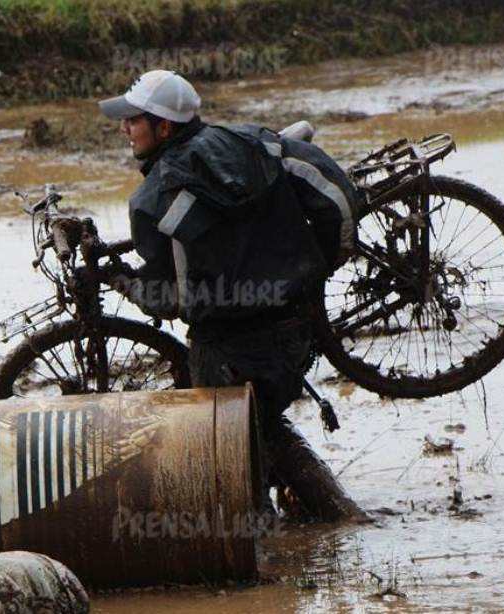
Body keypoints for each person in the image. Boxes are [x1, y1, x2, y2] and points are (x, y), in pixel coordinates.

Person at [98, 69, 363, 521]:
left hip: (228, 348)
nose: (124, 127)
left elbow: (172, 298)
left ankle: (264, 553)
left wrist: (122, 281)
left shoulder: (154, 200)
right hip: (296, 331)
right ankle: (332, 517)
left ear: (163, 127)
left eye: (134, 120)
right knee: (261, 428)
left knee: (233, 460)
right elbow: (333, 193)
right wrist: (321, 263)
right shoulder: (253, 142)